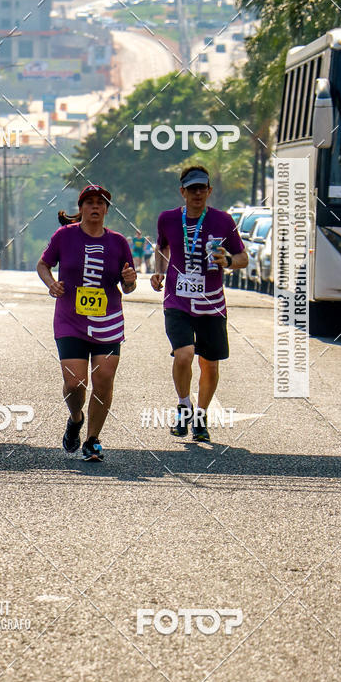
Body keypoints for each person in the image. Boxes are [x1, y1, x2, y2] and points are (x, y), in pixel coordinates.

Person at [37, 185, 136, 461]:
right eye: (89, 202)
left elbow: (128, 286)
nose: (95, 207)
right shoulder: (64, 236)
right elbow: (43, 265)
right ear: (80, 208)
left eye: (100, 203)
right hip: (70, 321)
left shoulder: (118, 242)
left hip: (108, 321)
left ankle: (92, 440)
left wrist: (129, 281)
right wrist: (51, 284)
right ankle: (76, 418)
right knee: (75, 384)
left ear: (106, 209)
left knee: (103, 380)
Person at [151, 165, 248, 442]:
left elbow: (243, 258)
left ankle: (201, 416)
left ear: (209, 191)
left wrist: (228, 261)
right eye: (191, 189)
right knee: (183, 354)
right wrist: (158, 271)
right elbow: (162, 247)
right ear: (182, 191)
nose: (197, 193)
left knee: (210, 364)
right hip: (177, 301)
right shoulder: (167, 219)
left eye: (202, 188)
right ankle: (184, 407)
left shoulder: (223, 221)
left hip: (212, 304)